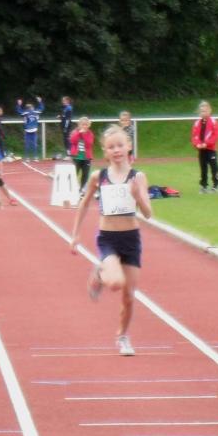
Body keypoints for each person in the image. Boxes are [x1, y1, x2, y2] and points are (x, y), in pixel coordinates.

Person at [70, 125, 152, 356]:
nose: (116, 150)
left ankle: (123, 336)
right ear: (105, 151)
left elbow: (148, 213)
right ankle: (100, 273)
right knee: (115, 283)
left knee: (129, 297)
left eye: (120, 145)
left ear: (128, 147)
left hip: (131, 239)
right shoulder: (99, 177)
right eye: (111, 147)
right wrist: (75, 233)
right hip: (108, 238)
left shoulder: (138, 177)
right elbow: (84, 203)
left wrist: (137, 197)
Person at [191, 101, 218, 194]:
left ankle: (216, 185)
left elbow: (215, 135)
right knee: (203, 168)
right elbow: (194, 136)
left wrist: (206, 144)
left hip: (211, 149)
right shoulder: (197, 123)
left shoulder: (213, 122)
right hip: (201, 150)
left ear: (209, 111)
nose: (203, 113)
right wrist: (197, 144)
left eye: (205, 111)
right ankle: (204, 186)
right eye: (201, 111)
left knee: (214, 167)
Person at [70, 117, 95, 194]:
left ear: (89, 125)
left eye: (86, 125)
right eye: (82, 124)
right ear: (79, 125)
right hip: (76, 157)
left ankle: (82, 189)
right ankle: (73, 188)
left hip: (86, 158)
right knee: (74, 173)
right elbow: (73, 141)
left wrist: (84, 135)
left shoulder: (90, 134)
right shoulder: (75, 132)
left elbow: (89, 144)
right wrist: (79, 133)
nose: (84, 126)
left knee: (85, 174)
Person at [16, 97, 44, 161]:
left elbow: (19, 111)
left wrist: (19, 104)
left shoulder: (27, 112)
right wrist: (40, 101)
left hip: (29, 130)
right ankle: (33, 157)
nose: (32, 108)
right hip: (31, 130)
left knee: (29, 144)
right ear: (30, 108)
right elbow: (41, 108)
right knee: (32, 144)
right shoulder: (33, 112)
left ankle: (29, 157)